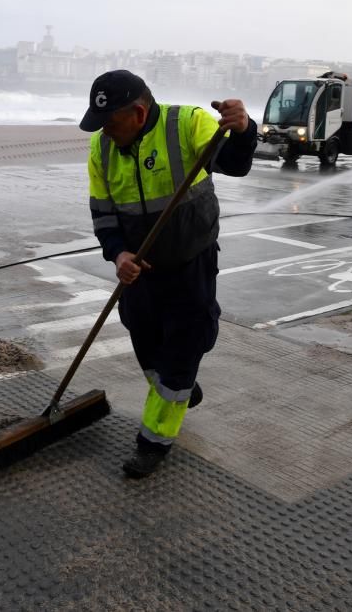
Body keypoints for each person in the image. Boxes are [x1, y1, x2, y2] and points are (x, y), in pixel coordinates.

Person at [80, 70, 257, 478]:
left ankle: (154, 442)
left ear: (139, 113)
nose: (105, 131)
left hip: (189, 262)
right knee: (146, 345)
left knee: (182, 348)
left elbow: (233, 163)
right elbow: (102, 212)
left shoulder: (188, 124)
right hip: (139, 270)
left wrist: (244, 130)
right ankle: (180, 387)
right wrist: (117, 253)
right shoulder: (101, 148)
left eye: (111, 122)